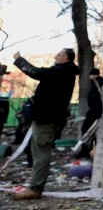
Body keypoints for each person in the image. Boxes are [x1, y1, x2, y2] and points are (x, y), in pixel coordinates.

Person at [11, 48, 78, 200]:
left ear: (66, 58)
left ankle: (35, 188)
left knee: (41, 151)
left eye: (60, 54)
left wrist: (19, 60)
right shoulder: (63, 72)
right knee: (39, 150)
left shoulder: (60, 71)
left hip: (47, 118)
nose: (56, 55)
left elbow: (36, 73)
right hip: (47, 118)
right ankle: (35, 185)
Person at [75, 68, 103, 159]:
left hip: (96, 112)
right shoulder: (96, 83)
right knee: (88, 132)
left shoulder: (98, 83)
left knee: (88, 131)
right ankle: (87, 150)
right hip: (94, 111)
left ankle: (87, 150)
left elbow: (97, 99)